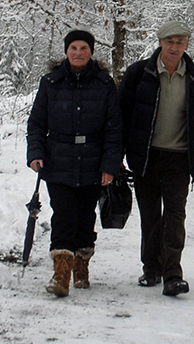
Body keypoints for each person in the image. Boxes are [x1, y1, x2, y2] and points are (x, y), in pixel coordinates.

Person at [120, 19, 194, 297]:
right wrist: (116, 156)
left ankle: (173, 274)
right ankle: (151, 267)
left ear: (186, 45)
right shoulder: (139, 74)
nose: (174, 47)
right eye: (169, 42)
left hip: (179, 158)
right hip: (146, 157)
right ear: (160, 42)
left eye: (180, 42)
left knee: (175, 215)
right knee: (150, 215)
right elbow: (121, 116)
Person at [27, 29, 123, 297]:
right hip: (58, 160)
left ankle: (81, 265)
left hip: (93, 161)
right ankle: (61, 273)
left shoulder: (104, 84)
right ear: (66, 51)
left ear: (91, 52)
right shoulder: (51, 83)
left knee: (85, 216)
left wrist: (110, 165)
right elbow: (37, 123)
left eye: (83, 48)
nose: (78, 53)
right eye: (73, 48)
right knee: (63, 215)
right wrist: (35, 153)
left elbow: (114, 128)